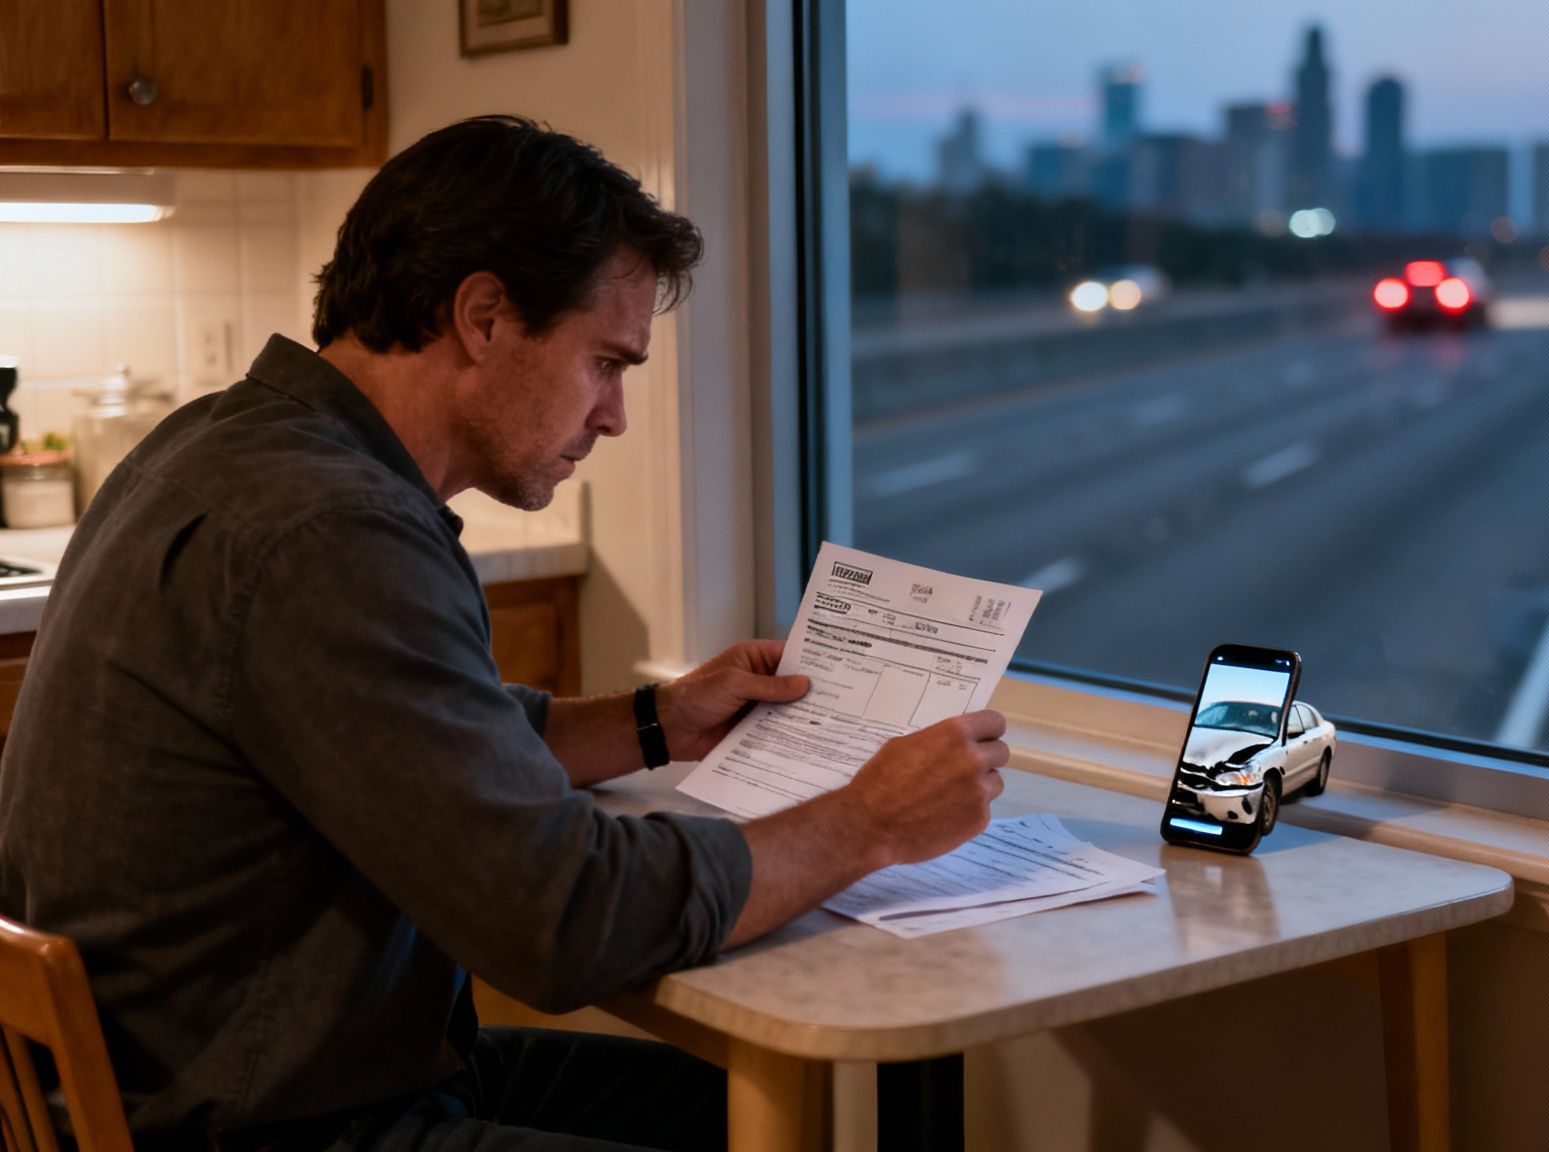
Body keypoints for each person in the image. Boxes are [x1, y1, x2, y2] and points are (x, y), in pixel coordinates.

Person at [0, 115, 1008, 1152]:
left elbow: (418, 744)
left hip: (201, 1074)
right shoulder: (329, 530)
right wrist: (866, 824)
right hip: (258, 1119)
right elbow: (563, 922)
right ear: (482, 315)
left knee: (733, 1117)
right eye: (605, 362)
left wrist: (658, 721)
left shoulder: (222, 439)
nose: (612, 415)